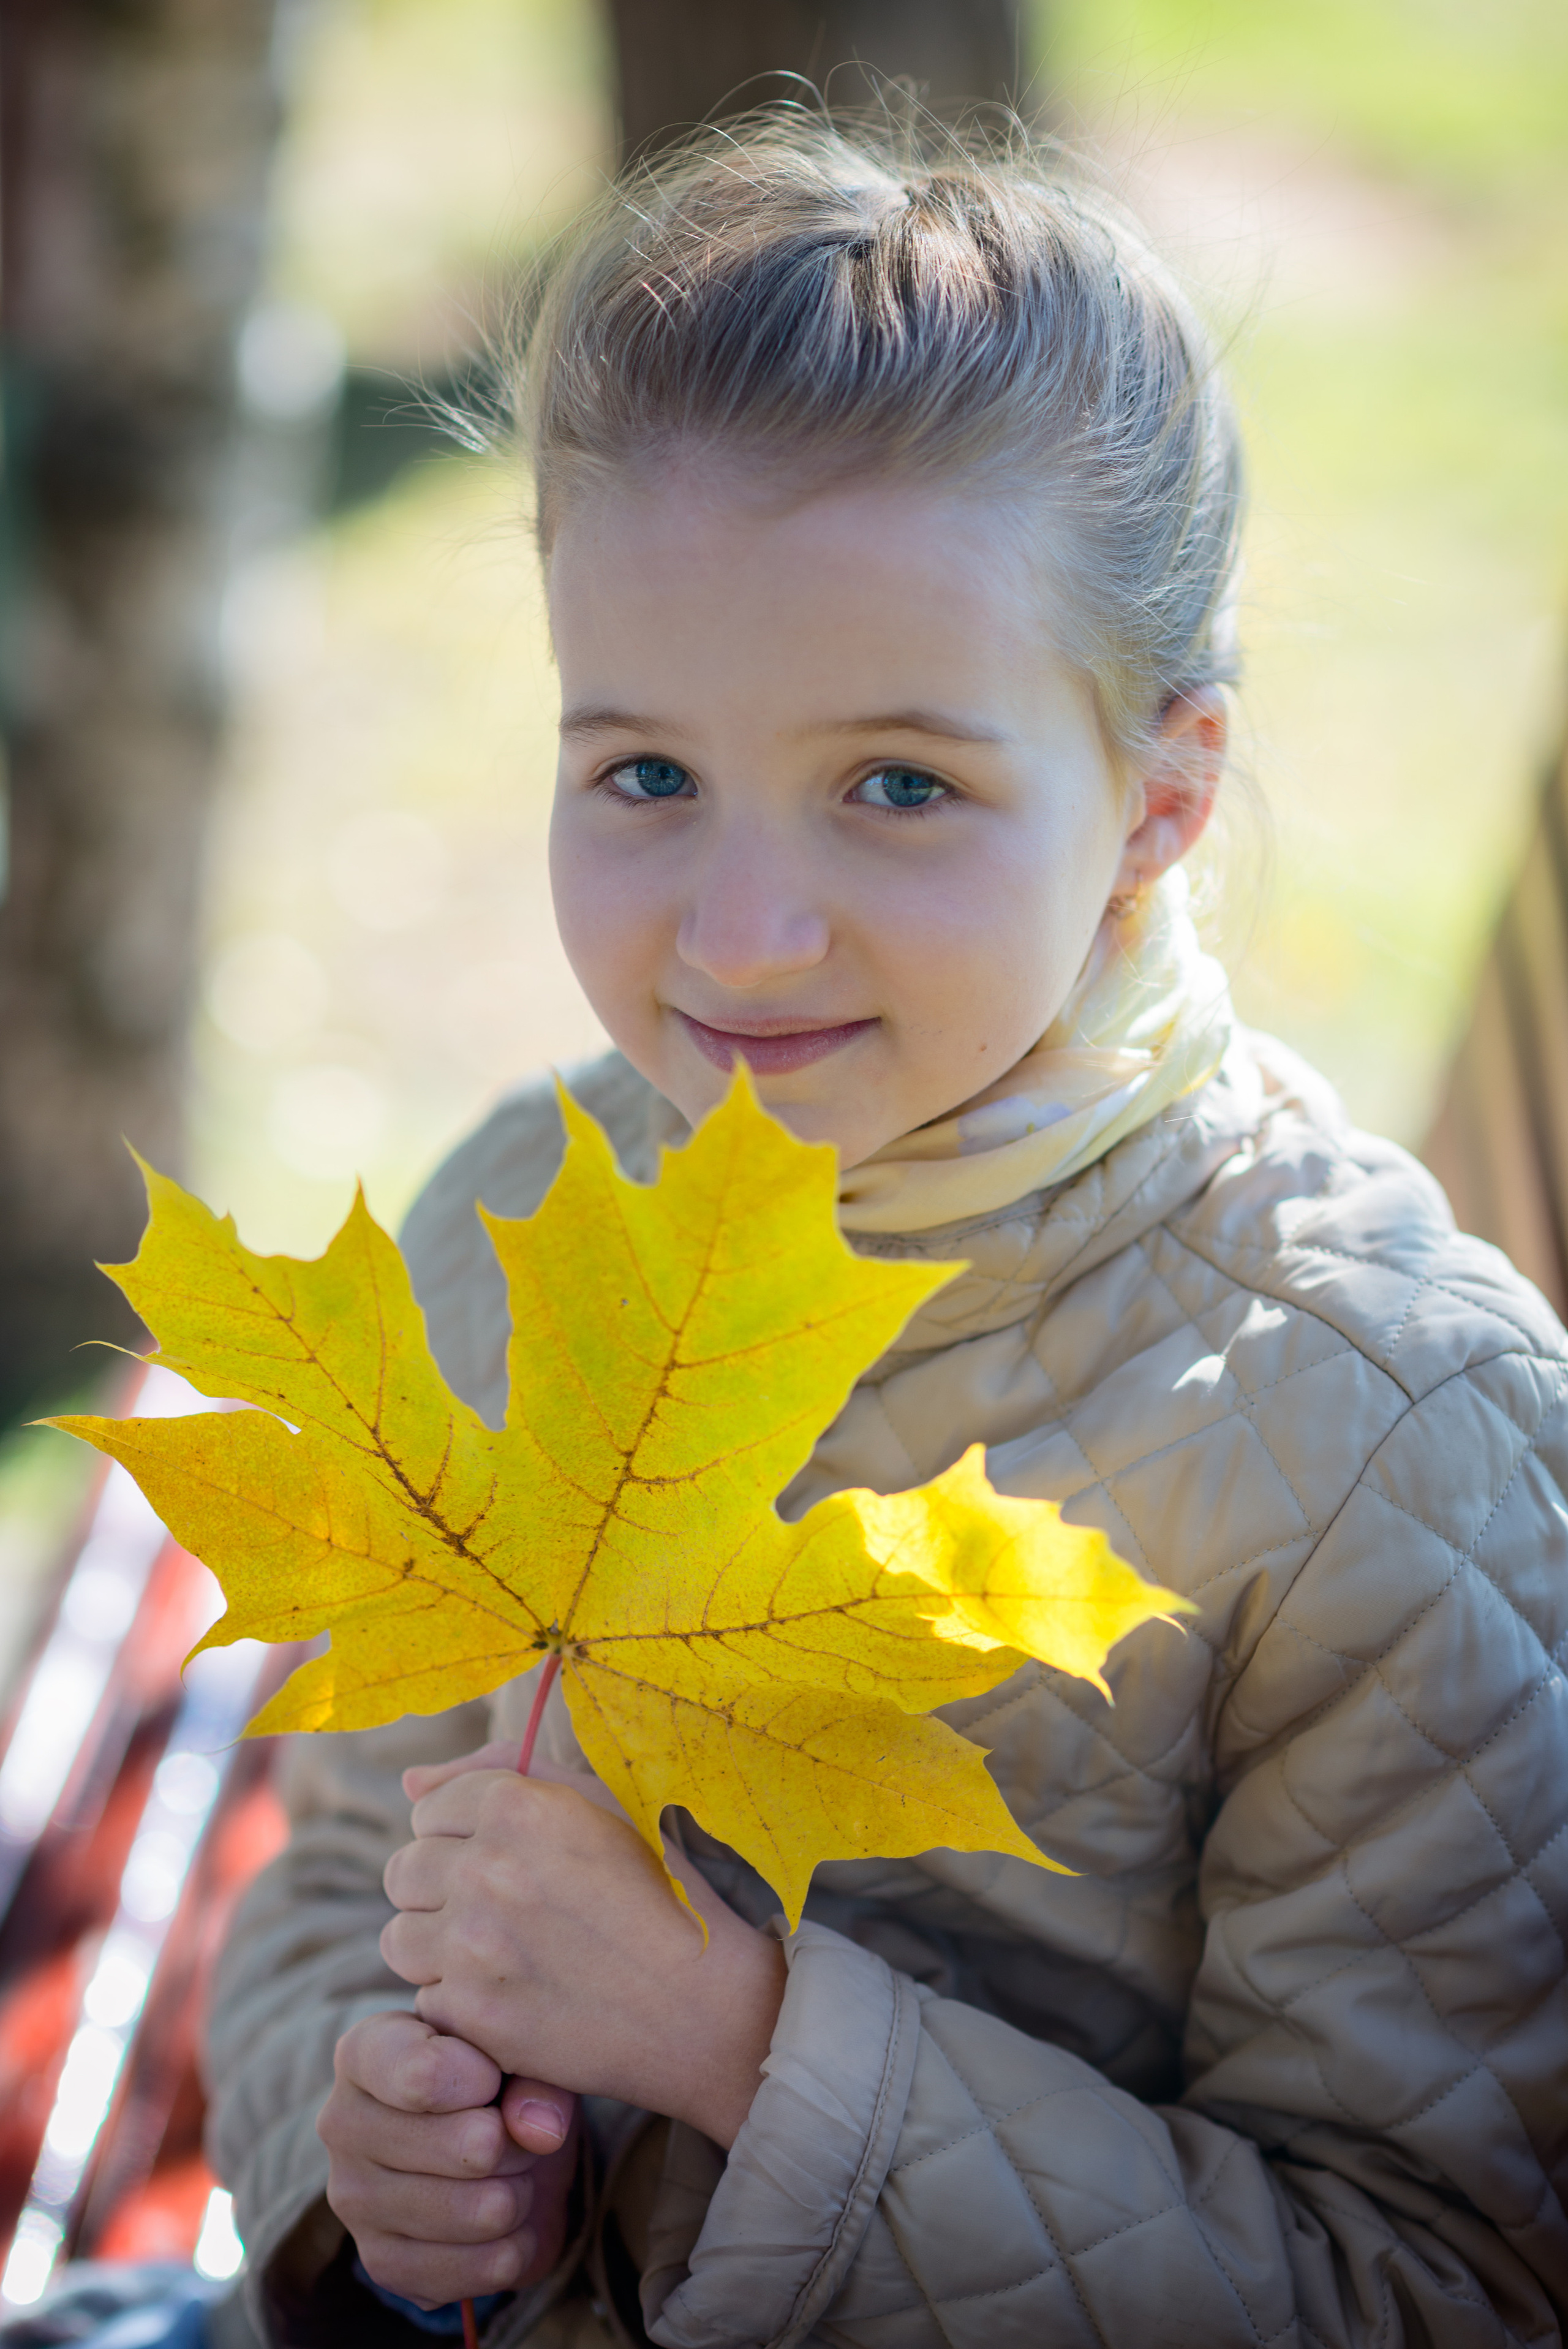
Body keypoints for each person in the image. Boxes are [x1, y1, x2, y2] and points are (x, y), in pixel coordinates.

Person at [201, 111, 1568, 2349]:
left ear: (1160, 796)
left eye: (900, 785)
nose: (742, 935)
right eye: (646, 774)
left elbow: (1440, 2279)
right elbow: (347, 1857)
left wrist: (740, 2046)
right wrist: (355, 2142)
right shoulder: (519, 1219)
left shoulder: (1389, 1440)